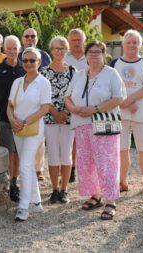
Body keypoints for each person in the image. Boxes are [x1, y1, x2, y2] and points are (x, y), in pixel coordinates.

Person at [64, 41, 124, 220]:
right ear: (86, 55)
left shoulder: (111, 74)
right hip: (82, 124)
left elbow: (118, 98)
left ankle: (111, 200)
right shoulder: (80, 74)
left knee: (107, 162)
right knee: (87, 162)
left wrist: (95, 109)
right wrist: (74, 109)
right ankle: (96, 194)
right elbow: (67, 96)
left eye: (98, 52)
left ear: (104, 54)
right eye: (90, 52)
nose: (94, 55)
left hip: (103, 123)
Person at [111, 29, 143, 198]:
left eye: (135, 42)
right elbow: (110, 87)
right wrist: (124, 103)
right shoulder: (115, 63)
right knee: (121, 150)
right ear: (123, 44)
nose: (131, 45)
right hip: (119, 115)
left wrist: (129, 100)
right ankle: (122, 182)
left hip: (142, 114)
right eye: (128, 42)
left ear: (140, 45)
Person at [7, 47, 51, 221]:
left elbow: (45, 108)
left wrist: (24, 121)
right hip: (17, 128)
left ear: (39, 62)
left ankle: (23, 206)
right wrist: (12, 120)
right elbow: (10, 105)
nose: (28, 63)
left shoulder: (43, 83)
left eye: (32, 60)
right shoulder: (17, 82)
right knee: (28, 166)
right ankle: (36, 202)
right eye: (25, 60)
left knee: (24, 164)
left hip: (34, 129)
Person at [0, 35, 25, 202]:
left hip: (22, 118)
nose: (11, 51)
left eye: (14, 48)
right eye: (9, 48)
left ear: (19, 49)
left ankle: (16, 181)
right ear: (5, 49)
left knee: (19, 153)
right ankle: (11, 183)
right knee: (10, 152)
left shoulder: (25, 69)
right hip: (2, 117)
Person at [40, 36, 76, 204]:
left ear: (66, 50)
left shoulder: (73, 71)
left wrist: (66, 113)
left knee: (67, 155)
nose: (59, 51)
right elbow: (42, 97)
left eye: (62, 48)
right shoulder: (44, 72)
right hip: (50, 118)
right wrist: (55, 113)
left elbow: (76, 95)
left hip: (68, 119)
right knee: (53, 154)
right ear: (51, 50)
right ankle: (54, 189)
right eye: (56, 48)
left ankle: (64, 190)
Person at [20, 28, 52, 181]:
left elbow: (49, 77)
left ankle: (38, 169)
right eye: (27, 36)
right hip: (21, 100)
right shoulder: (18, 55)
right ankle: (23, 169)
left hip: (39, 101)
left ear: (37, 39)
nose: (30, 38)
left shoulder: (44, 56)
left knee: (39, 138)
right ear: (22, 38)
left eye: (33, 36)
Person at [65, 28, 88, 183]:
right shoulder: (65, 57)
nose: (76, 43)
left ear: (83, 40)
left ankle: (87, 171)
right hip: (70, 103)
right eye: (73, 40)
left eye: (79, 39)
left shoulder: (91, 56)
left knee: (88, 139)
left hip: (89, 104)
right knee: (71, 140)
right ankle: (71, 169)